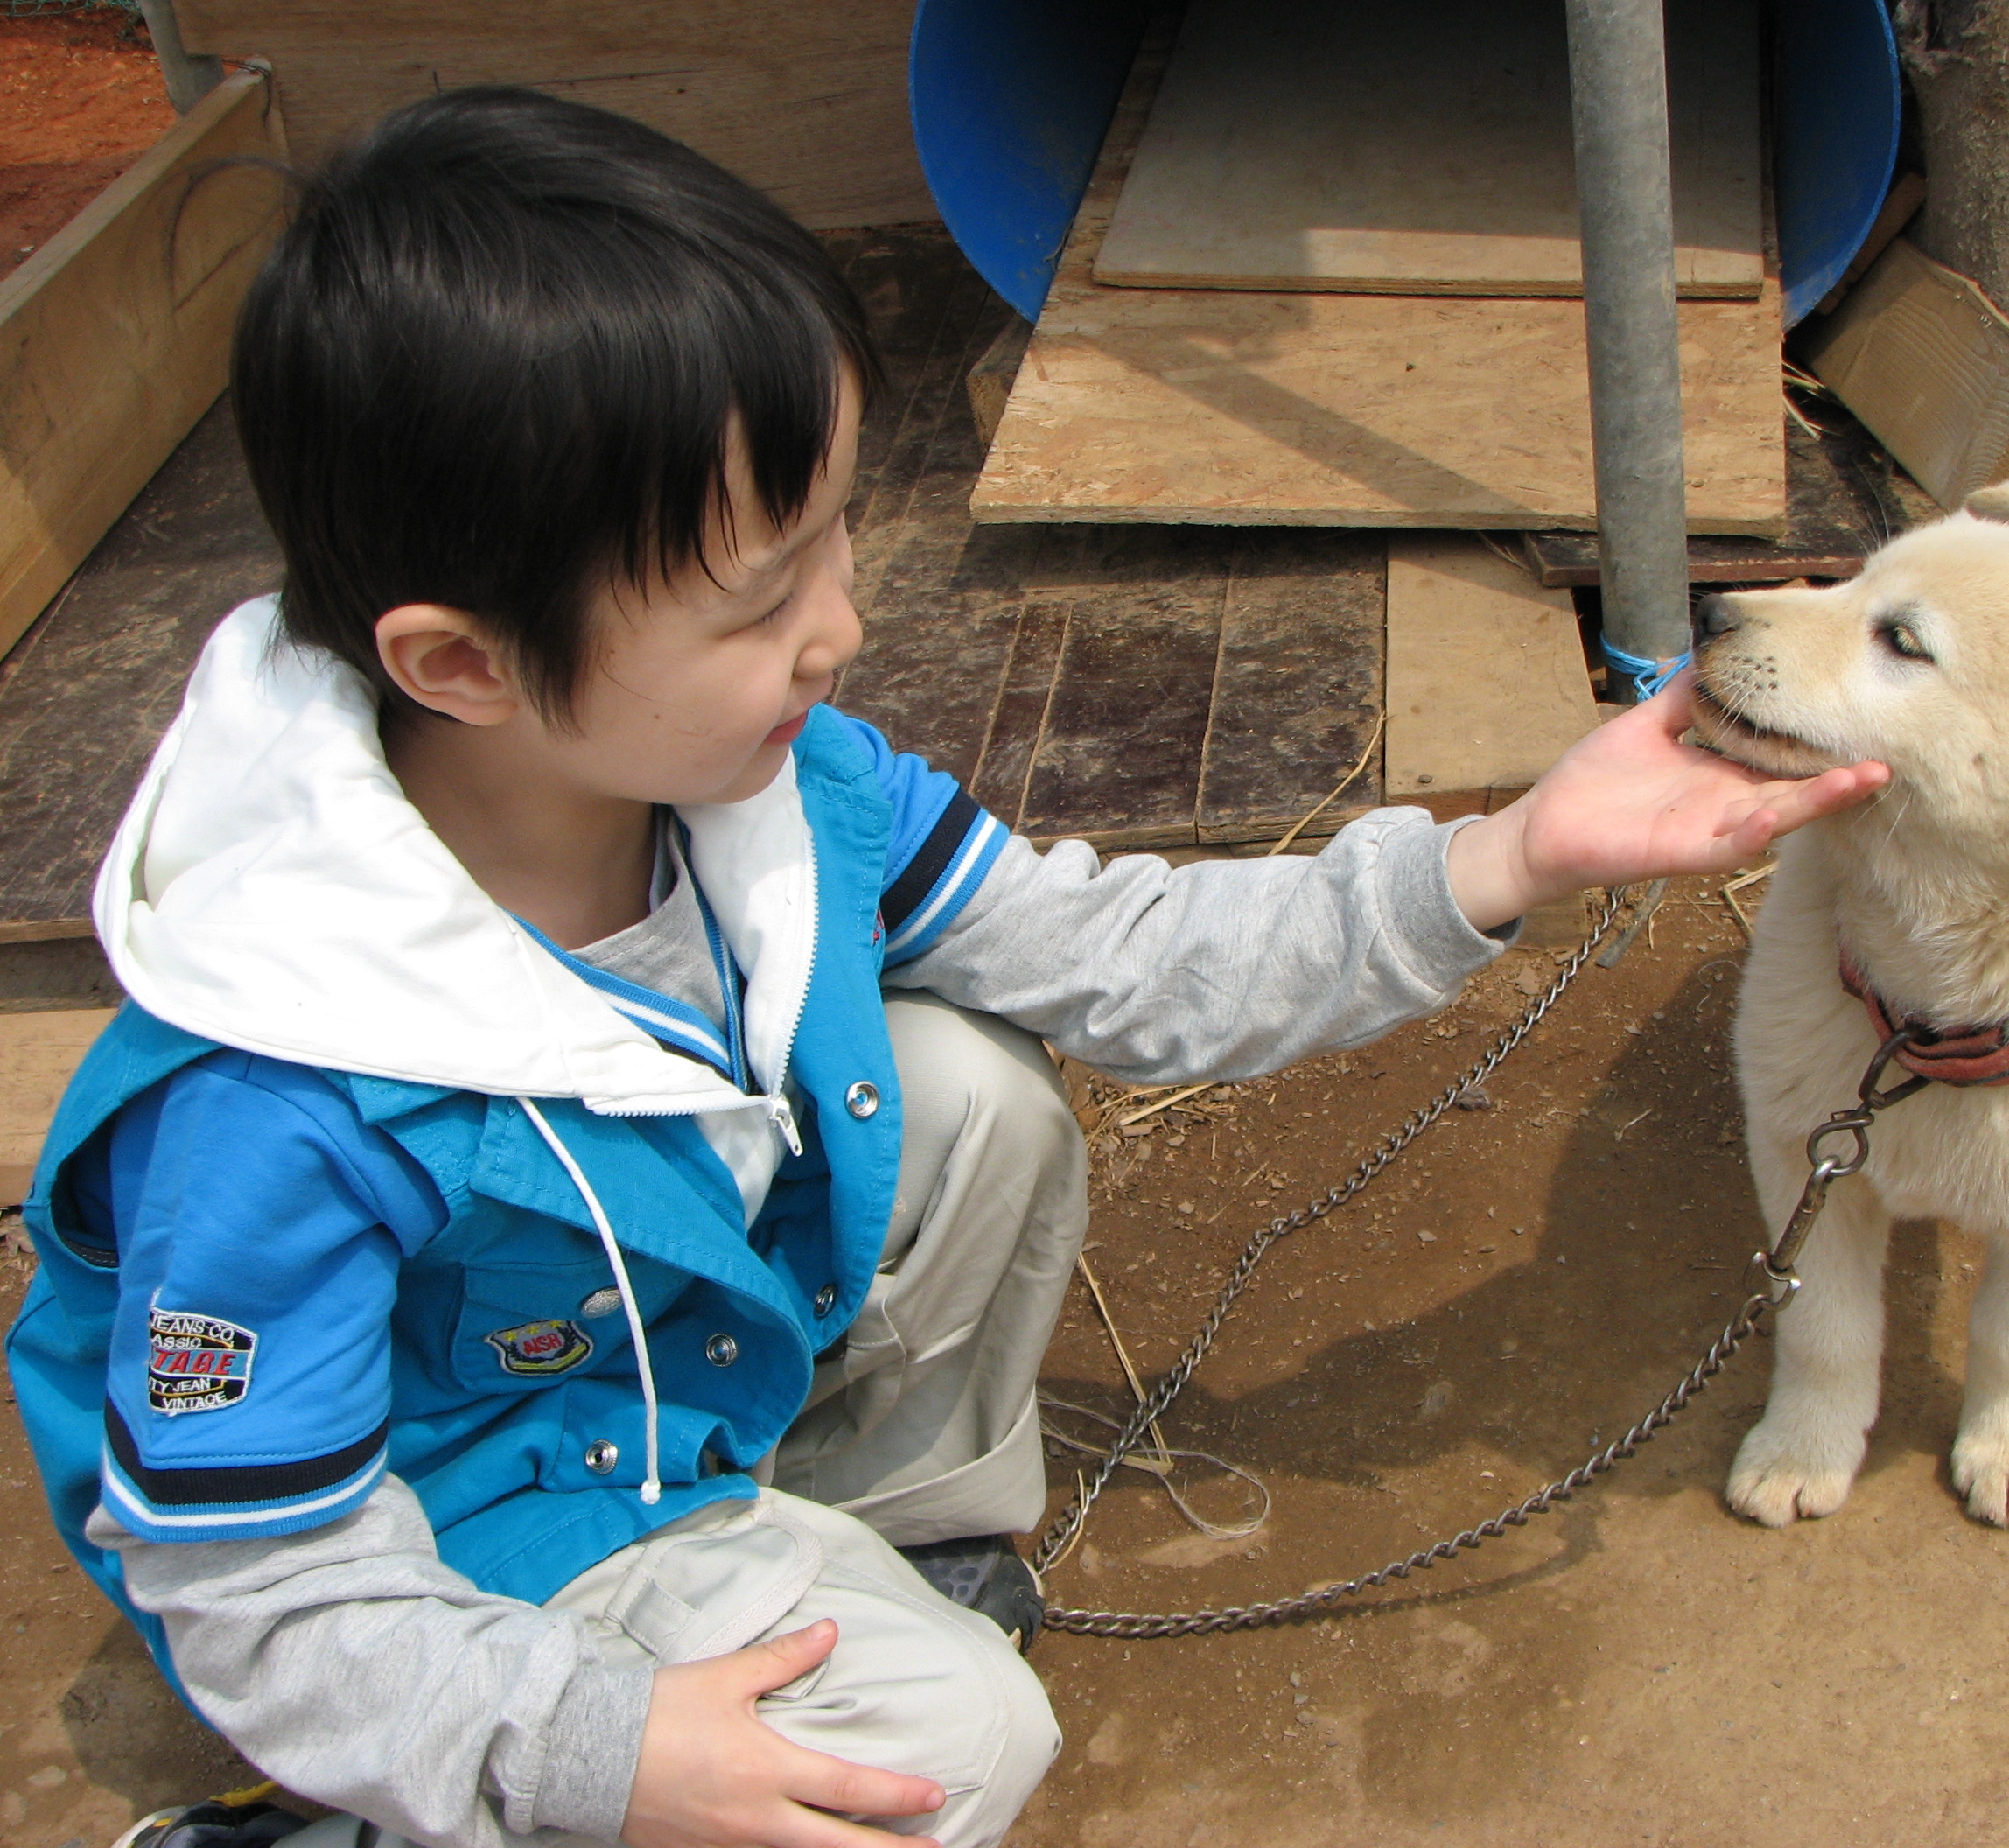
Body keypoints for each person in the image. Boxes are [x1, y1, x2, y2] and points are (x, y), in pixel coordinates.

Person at [6, 88, 1887, 1848]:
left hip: (645, 1397)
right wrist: (597, 1742)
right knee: (949, 1754)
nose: (840, 629)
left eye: (835, 542)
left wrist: (1512, 853)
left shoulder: (777, 799)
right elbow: (264, 1588)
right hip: (468, 1539)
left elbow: (1121, 956)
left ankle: (873, 1534)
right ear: (462, 665)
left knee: (976, 1094)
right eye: (759, 603)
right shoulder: (283, 1087)